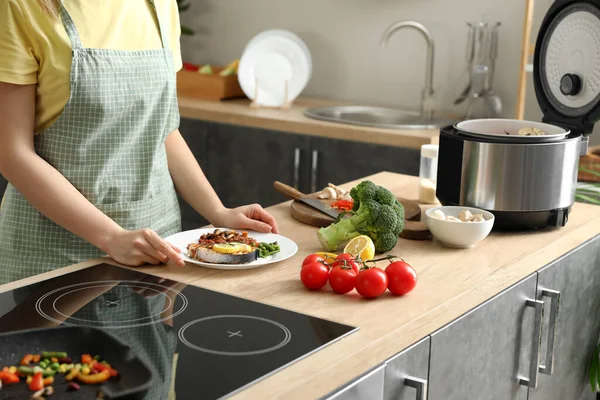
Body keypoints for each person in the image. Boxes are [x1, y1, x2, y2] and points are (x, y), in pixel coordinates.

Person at [0, 0, 279, 285]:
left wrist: (218, 212)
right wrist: (111, 237)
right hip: (55, 255)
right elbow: (13, 153)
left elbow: (162, 130)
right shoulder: (21, 7)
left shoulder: (160, 5)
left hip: (157, 248)